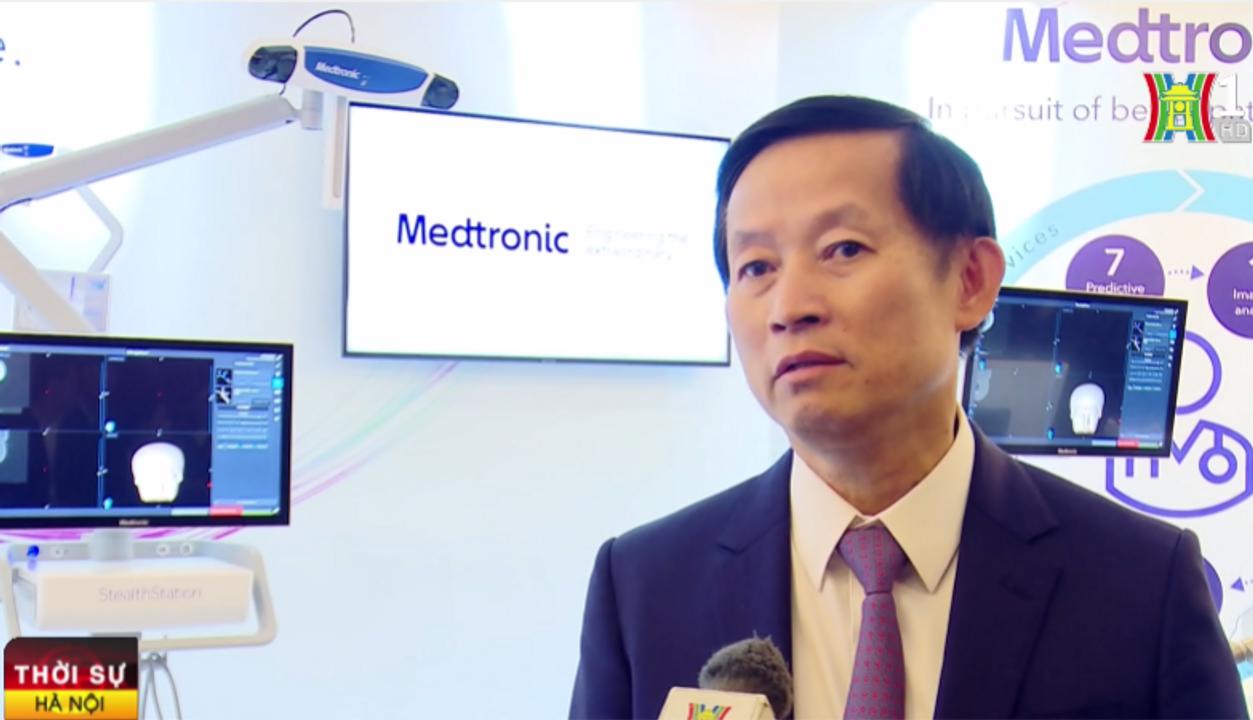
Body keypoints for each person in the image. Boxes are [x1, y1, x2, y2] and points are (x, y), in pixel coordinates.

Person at [569, 96, 1247, 719]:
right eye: (756, 268)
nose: (789, 306)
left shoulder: (1140, 583)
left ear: (971, 280)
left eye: (842, 249)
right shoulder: (645, 587)